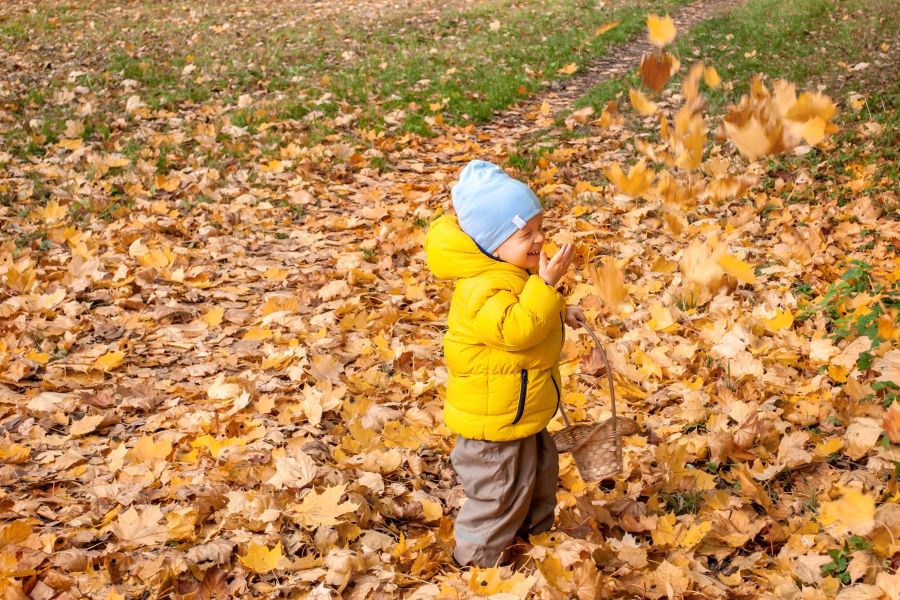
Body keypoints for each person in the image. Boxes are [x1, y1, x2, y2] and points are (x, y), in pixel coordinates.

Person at [424, 159, 585, 567]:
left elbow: (526, 307)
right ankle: (477, 568)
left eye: (539, 228)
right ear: (490, 243)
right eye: (525, 233)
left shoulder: (509, 269)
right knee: (498, 493)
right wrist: (547, 287)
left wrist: (558, 307)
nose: (539, 239)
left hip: (520, 411)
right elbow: (515, 329)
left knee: (538, 480)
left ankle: (532, 544)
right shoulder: (481, 286)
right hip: (493, 423)